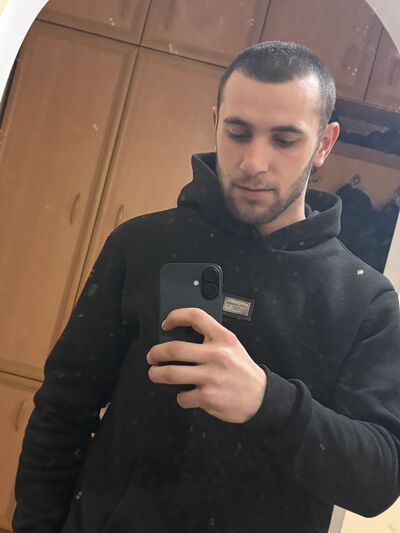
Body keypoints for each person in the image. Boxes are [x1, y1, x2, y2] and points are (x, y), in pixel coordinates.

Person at [13, 41, 400, 533]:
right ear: (215, 123)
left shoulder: (365, 301)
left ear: (324, 143)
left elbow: (379, 479)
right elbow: (62, 411)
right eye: (238, 133)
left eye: (284, 140)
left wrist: (267, 402)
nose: (253, 162)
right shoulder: (142, 245)